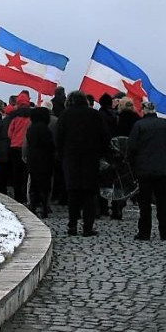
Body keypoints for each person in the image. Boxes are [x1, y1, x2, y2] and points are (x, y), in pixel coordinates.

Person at [53, 90, 110, 237]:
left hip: (70, 158)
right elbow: (105, 137)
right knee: (89, 194)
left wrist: (61, 154)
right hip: (91, 158)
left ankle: (72, 225)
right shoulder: (94, 115)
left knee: (73, 192)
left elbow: (59, 137)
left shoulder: (65, 115)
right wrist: (103, 155)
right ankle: (87, 227)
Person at [127, 101, 166, 241]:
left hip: (144, 171)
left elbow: (131, 147)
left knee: (145, 204)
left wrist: (133, 165)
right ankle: (164, 232)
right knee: (162, 203)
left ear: (143, 111)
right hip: (162, 170)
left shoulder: (139, 126)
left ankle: (144, 232)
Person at [22, 105, 56, 218]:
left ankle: (32, 205)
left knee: (33, 184)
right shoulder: (45, 129)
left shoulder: (31, 128)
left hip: (33, 158)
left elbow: (27, 143)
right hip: (45, 159)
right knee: (45, 185)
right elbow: (50, 145)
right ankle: (44, 208)